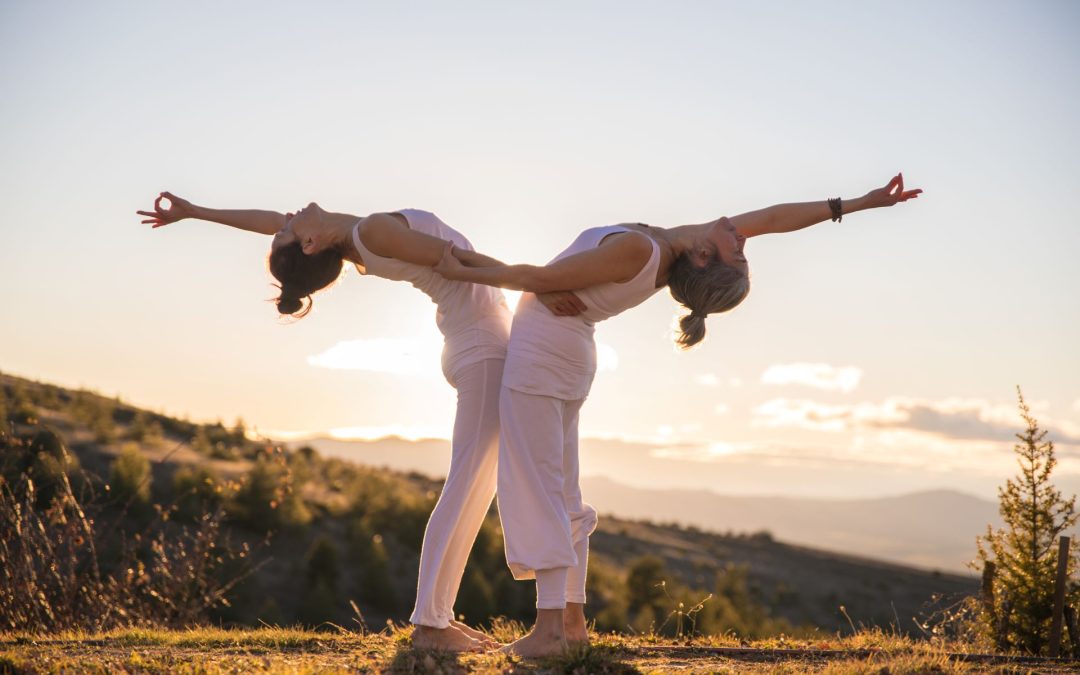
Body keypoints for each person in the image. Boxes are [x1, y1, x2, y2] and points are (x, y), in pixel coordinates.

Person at [432, 173, 922, 657]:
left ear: (706, 256)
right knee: (561, 490)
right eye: (742, 246)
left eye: (738, 249)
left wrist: (459, 270)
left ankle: (549, 632)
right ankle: (573, 623)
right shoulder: (676, 246)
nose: (742, 238)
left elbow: (537, 279)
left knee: (539, 490)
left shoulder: (644, 252)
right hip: (566, 353)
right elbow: (774, 219)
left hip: (543, 357)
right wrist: (858, 203)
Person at [136, 193, 586, 652]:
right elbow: (459, 262)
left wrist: (195, 212)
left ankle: (440, 618)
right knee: (466, 487)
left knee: (475, 487)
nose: (289, 215)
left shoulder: (347, 234)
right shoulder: (370, 232)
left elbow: (269, 220)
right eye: (289, 229)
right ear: (310, 244)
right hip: (482, 348)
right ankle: (431, 624)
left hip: (475, 343)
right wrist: (544, 284)